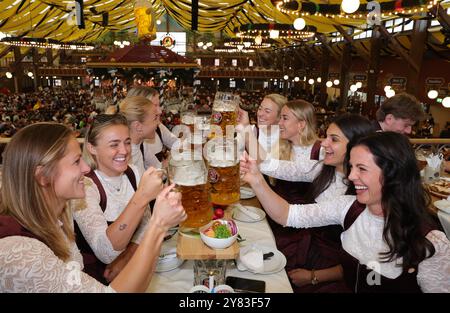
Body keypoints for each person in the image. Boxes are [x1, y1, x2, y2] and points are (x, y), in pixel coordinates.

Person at [241, 132, 450, 292]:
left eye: (362, 169)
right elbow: (287, 215)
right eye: (351, 167)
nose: (351, 176)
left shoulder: (432, 243)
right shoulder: (349, 207)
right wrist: (256, 180)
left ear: (393, 174)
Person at [0, 123, 186, 292]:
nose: (86, 169)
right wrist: (158, 224)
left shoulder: (61, 210)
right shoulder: (20, 251)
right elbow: (107, 254)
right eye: (75, 161)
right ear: (43, 177)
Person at [75, 113, 164, 283]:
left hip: (134, 264)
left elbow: (146, 223)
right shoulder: (85, 187)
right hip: (98, 280)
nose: (124, 151)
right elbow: (105, 252)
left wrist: (126, 258)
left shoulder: (133, 172)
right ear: (92, 148)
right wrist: (142, 196)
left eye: (127, 142)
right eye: (114, 145)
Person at [126, 86, 178, 169]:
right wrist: (171, 158)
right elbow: (154, 172)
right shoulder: (132, 147)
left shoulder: (156, 126)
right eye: (155, 105)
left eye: (159, 105)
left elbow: (177, 144)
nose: (160, 111)